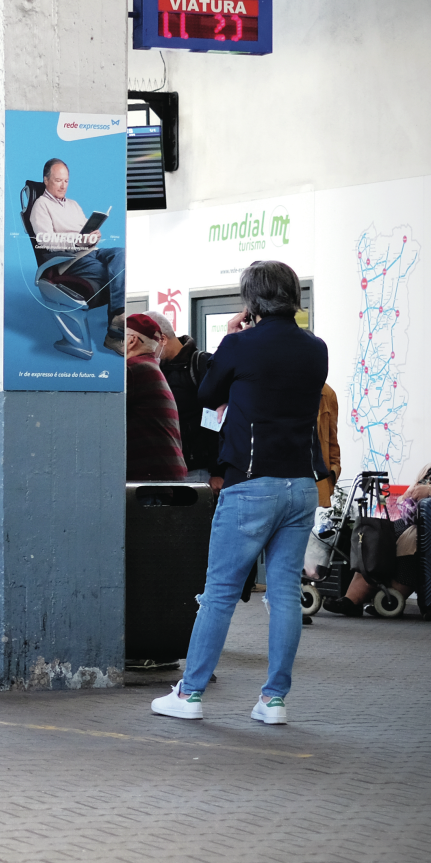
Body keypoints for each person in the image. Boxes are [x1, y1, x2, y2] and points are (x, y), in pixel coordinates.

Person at [151, 261, 326, 725]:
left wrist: (231, 335)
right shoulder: (316, 348)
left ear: (251, 301)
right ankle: (273, 702)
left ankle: (189, 695)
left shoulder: (239, 344)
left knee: (220, 593)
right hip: (302, 485)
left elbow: (207, 394)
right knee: (285, 593)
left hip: (251, 485)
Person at [327, 418, 431, 617]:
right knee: (375, 538)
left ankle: (388, 602)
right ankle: (352, 600)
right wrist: (408, 498)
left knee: (411, 544)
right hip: (417, 523)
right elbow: (410, 493)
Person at [27, 157, 125, 350]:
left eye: (66, 181)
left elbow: (84, 231)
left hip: (91, 251)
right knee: (111, 274)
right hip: (71, 259)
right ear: (46, 180)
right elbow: (44, 240)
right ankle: (115, 333)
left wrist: (93, 236)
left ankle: (118, 319)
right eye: (58, 180)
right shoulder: (41, 206)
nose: (63, 186)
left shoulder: (73, 204)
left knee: (123, 255)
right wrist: (77, 240)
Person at [124, 313, 186, 481]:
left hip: (149, 480)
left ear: (131, 340)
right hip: (165, 475)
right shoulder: (150, 367)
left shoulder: (132, 369)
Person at [154, 317, 217, 480]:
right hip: (166, 467)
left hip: (198, 468)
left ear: (162, 339)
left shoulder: (201, 363)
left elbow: (216, 418)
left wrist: (218, 470)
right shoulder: (156, 369)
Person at [314, 383, 342, 508]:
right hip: (277, 482)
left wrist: (333, 473)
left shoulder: (327, 393)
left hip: (311, 481)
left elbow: (332, 442)